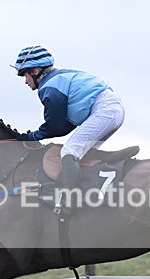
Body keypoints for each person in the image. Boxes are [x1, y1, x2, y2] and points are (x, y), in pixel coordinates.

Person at [12, 45, 125, 215]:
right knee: (83, 155)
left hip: (104, 110)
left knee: (69, 151)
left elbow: (55, 125)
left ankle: (69, 202)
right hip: (110, 109)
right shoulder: (59, 79)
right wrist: (34, 135)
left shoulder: (49, 87)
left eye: (24, 74)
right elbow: (64, 127)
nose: (24, 81)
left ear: (35, 71)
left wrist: (32, 136)